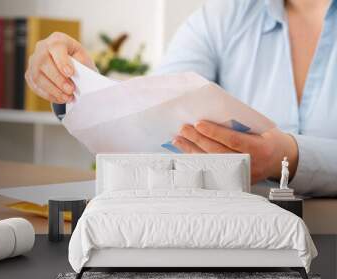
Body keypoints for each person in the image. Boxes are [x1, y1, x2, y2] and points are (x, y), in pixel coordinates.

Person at [24, 0, 337, 197]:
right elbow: (155, 116)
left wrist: (287, 156)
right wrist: (81, 84)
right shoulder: (223, 16)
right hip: (234, 236)